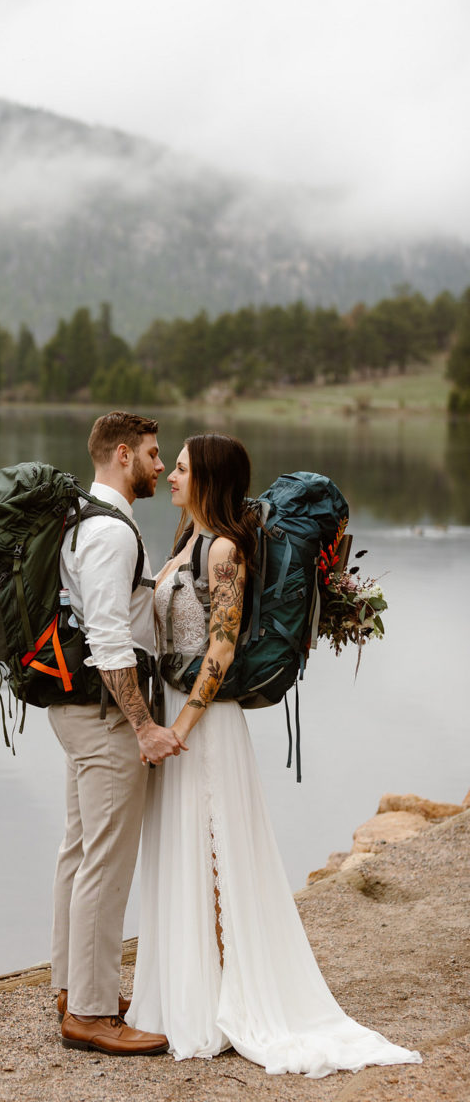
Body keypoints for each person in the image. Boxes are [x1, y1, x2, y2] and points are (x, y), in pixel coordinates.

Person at [126, 432, 422, 1078]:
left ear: (206, 479)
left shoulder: (225, 551)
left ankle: (232, 993)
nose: (169, 477)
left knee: (217, 850)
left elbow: (223, 648)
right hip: (179, 716)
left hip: (206, 723)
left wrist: (183, 725)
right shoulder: (184, 543)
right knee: (184, 851)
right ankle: (190, 991)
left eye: (179, 469)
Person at [50, 411, 187, 1056]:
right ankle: (94, 1013)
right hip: (104, 718)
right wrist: (144, 725)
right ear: (124, 454)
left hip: (77, 710)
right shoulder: (110, 532)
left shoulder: (88, 518)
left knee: (80, 853)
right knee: (105, 862)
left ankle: (74, 988)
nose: (162, 466)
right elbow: (108, 638)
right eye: (157, 455)